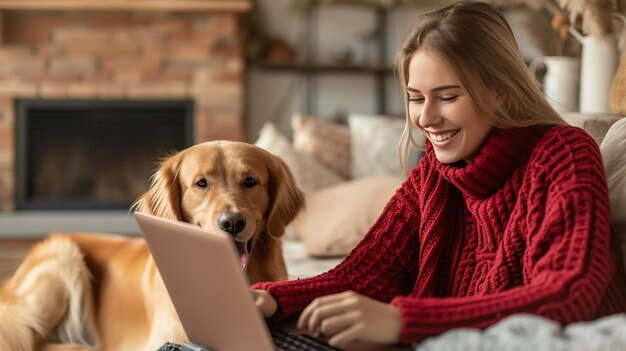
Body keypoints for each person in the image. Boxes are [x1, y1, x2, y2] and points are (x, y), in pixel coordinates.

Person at [251, 1, 626, 348]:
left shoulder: (563, 154)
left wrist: (402, 321)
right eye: (416, 98)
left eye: (447, 97)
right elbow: (364, 274)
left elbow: (568, 292)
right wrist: (273, 298)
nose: (425, 119)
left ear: (499, 92)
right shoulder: (433, 174)